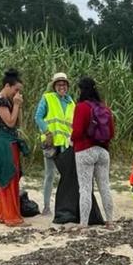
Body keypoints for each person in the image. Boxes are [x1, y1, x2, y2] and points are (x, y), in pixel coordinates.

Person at [71, 77, 115, 228]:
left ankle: (83, 224)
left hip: (84, 150)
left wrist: (72, 140)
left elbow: (77, 131)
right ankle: (109, 221)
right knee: (104, 187)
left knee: (85, 188)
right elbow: (112, 132)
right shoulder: (105, 108)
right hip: (103, 152)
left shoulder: (81, 107)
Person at [0, 69, 29, 227]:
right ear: (7, 86)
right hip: (5, 144)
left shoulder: (3, 100)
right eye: (16, 89)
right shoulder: (1, 101)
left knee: (8, 179)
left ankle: (2, 213)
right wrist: (17, 105)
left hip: (7, 141)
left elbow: (15, 122)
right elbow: (11, 122)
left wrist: (16, 105)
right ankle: (11, 217)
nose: (17, 93)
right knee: (9, 178)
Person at [34, 72, 75, 215]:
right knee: (49, 175)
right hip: (50, 143)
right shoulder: (47, 98)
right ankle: (46, 207)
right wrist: (47, 132)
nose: (61, 86)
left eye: (64, 84)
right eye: (58, 84)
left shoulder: (72, 103)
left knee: (66, 176)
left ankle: (64, 206)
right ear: (54, 86)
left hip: (65, 145)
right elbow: (38, 117)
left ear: (67, 86)